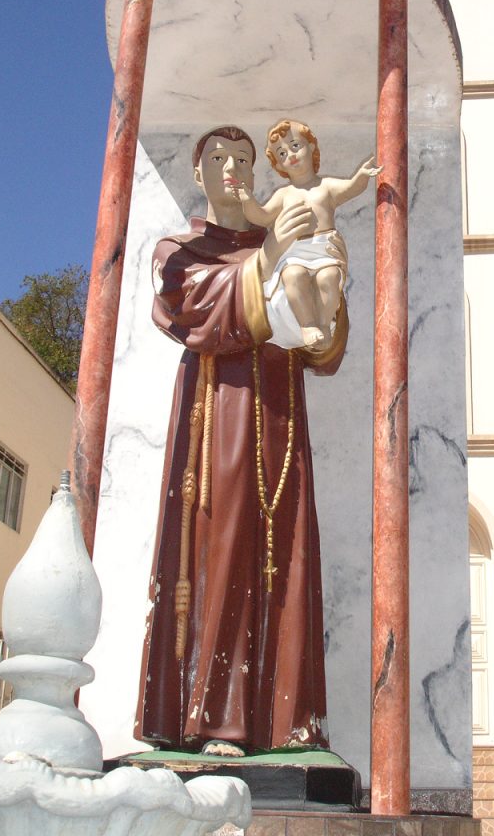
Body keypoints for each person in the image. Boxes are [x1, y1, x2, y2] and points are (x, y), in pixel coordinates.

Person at [134, 125, 348, 756]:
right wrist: (264, 261)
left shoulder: (281, 232)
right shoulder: (182, 247)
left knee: (288, 552)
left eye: (245, 160)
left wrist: (329, 314)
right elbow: (185, 302)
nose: (233, 168)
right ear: (198, 174)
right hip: (218, 413)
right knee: (219, 548)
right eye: (219, 159)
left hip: (281, 412)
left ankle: (289, 724)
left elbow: (323, 339)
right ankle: (213, 720)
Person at [233, 119, 381, 352]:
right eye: (281, 153)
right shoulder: (284, 195)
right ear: (279, 166)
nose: (289, 155)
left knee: (329, 277)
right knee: (293, 276)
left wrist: (362, 175)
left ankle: (323, 324)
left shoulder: (326, 187)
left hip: (324, 248)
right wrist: (246, 199)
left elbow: (352, 188)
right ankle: (308, 325)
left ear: (311, 147)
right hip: (296, 250)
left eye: (295, 146)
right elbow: (260, 217)